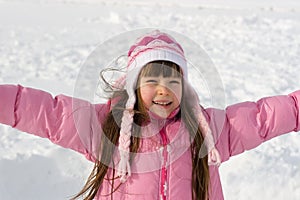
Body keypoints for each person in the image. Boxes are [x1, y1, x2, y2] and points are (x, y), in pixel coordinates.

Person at [0, 30, 299, 200]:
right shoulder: (107, 127)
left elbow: (262, 118)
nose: (163, 91)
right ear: (133, 86)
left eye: (173, 82)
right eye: (152, 81)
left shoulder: (208, 130)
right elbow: (49, 113)